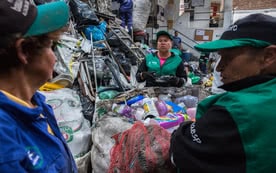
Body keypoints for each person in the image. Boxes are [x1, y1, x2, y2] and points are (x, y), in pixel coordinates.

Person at [170, 13, 276, 173]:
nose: (219, 68)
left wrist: (183, 130)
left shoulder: (237, 110)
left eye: (229, 57)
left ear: (268, 56)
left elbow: (183, 149)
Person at [0, 1, 77, 172]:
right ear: (24, 52)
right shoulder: (5, 142)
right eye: (51, 46)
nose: (55, 58)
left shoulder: (34, 102)